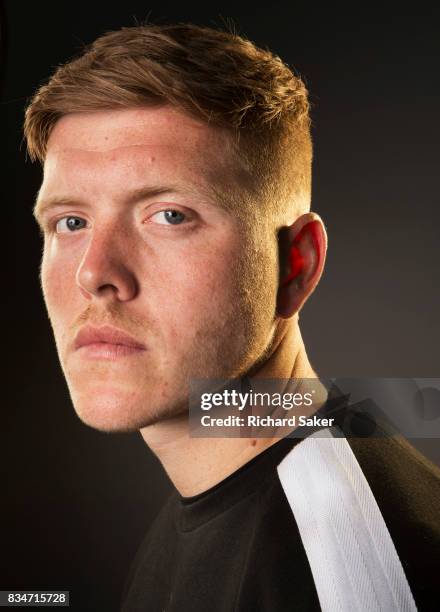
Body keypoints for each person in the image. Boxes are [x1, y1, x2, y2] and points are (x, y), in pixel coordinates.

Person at [24, 23, 439, 612]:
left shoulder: (337, 560)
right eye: (71, 222)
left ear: (295, 265)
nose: (95, 273)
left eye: (168, 215)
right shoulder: (211, 504)